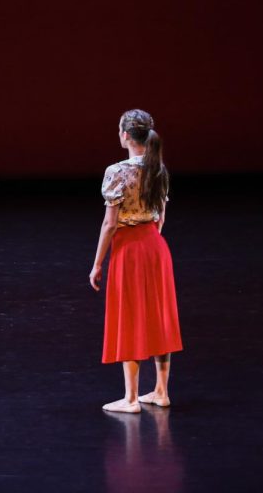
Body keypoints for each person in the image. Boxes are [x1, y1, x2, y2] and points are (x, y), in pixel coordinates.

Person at [89, 109, 182, 414]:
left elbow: (109, 224)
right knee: (159, 314)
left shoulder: (117, 171)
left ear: (125, 135)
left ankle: (131, 398)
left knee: (130, 316)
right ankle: (161, 391)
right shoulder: (160, 169)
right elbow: (161, 217)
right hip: (156, 248)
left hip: (129, 250)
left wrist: (98, 263)